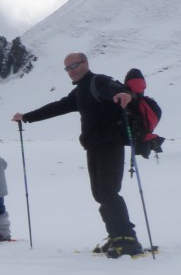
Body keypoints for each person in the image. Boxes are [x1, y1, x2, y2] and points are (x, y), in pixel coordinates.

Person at [12, 52, 143, 257]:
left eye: (74, 65)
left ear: (86, 63)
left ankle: (127, 238)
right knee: (99, 194)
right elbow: (57, 107)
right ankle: (115, 235)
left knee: (109, 192)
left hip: (110, 144)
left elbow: (112, 87)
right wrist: (27, 117)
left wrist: (122, 93)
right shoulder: (80, 91)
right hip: (93, 147)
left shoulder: (97, 81)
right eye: (67, 68)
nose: (71, 71)